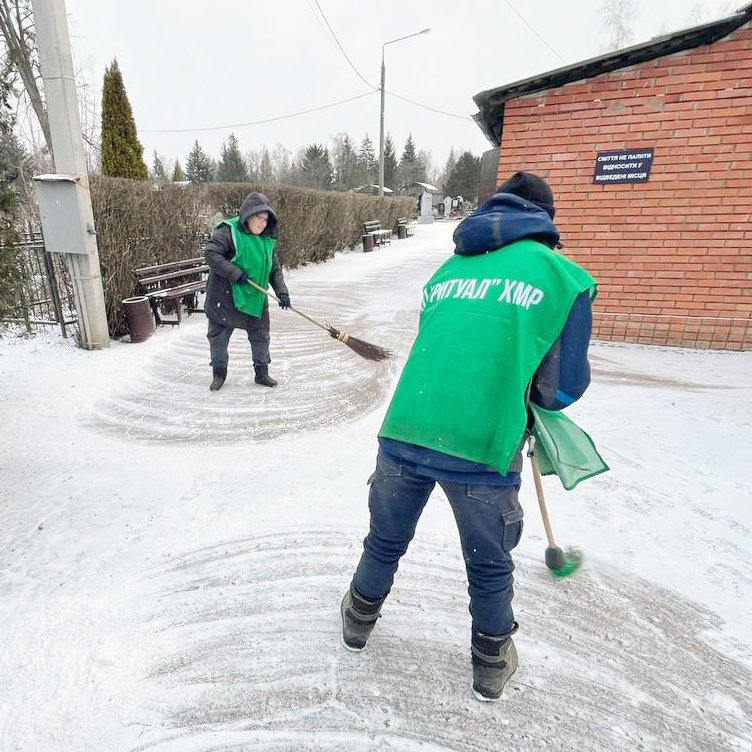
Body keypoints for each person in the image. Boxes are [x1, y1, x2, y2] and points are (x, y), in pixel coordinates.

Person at [340, 171, 596, 702]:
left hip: (407, 427)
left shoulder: (447, 270)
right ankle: (490, 662)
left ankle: (357, 620)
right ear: (546, 221)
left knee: (385, 539)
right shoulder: (563, 278)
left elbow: (444, 344)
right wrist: (530, 400)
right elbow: (563, 387)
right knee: (487, 561)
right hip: (481, 443)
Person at [203, 191, 290, 391]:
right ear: (248, 216)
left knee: (261, 336)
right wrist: (235, 274)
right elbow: (211, 254)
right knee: (218, 339)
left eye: (266, 220)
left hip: (256, 299)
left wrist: (282, 293)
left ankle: (262, 373)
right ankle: (219, 374)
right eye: (259, 219)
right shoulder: (228, 232)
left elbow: (274, 270)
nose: (263, 224)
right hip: (225, 298)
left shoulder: (266, 240)